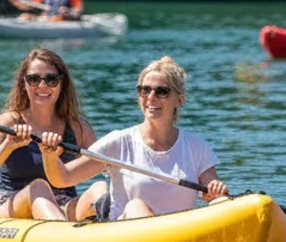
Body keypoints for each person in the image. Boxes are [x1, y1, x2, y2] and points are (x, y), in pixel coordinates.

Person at [34, 56, 229, 222]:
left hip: (180, 236)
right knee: (137, 206)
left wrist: (216, 192)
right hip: (127, 238)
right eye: (145, 90)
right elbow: (63, 179)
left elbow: (213, 193)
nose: (151, 97)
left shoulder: (196, 146)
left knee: (224, 203)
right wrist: (49, 155)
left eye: (162, 91)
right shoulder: (119, 142)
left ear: (179, 100)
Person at [0, 48, 106, 221]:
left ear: (61, 84)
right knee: (39, 187)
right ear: (24, 84)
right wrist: (8, 145)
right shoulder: (8, 122)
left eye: (51, 79)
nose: (42, 86)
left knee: (99, 187)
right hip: (13, 205)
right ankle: (64, 237)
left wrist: (54, 159)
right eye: (34, 79)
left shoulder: (78, 127)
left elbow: (100, 165)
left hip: (62, 204)